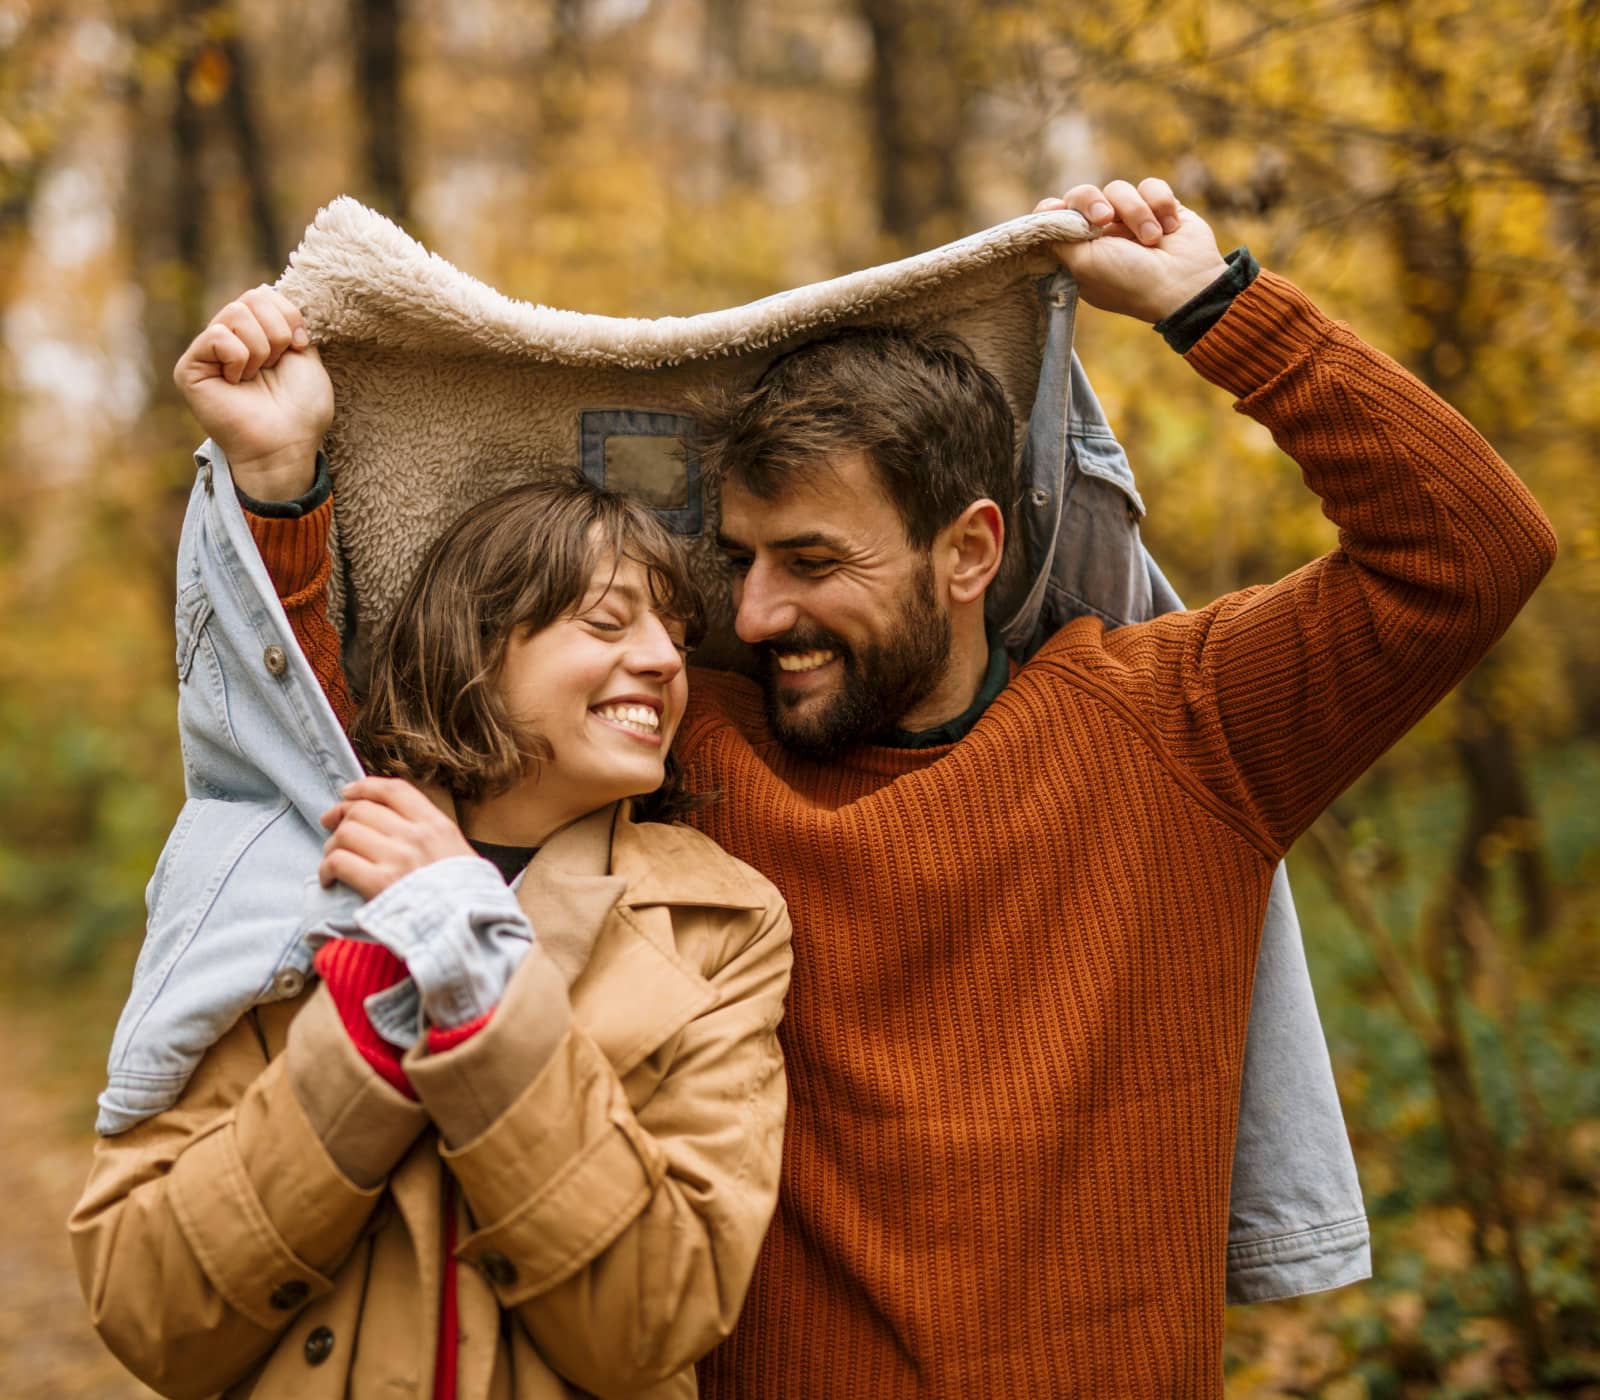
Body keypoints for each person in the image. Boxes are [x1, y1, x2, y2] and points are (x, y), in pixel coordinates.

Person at [160, 175, 1554, 1396]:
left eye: (813, 564)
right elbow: (376, 764)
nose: (753, 615)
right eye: (744, 560)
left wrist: (1217, 303)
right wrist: (282, 482)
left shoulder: (1181, 729)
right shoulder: (697, 755)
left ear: (969, 551)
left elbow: (1471, 552)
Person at [70, 441, 794, 1394]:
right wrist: (364, 1041)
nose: (663, 660)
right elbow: (146, 1309)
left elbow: (653, 1321)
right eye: (606, 622)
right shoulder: (281, 875)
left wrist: (478, 971)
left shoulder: (724, 924)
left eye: (675, 636)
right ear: (477, 648)